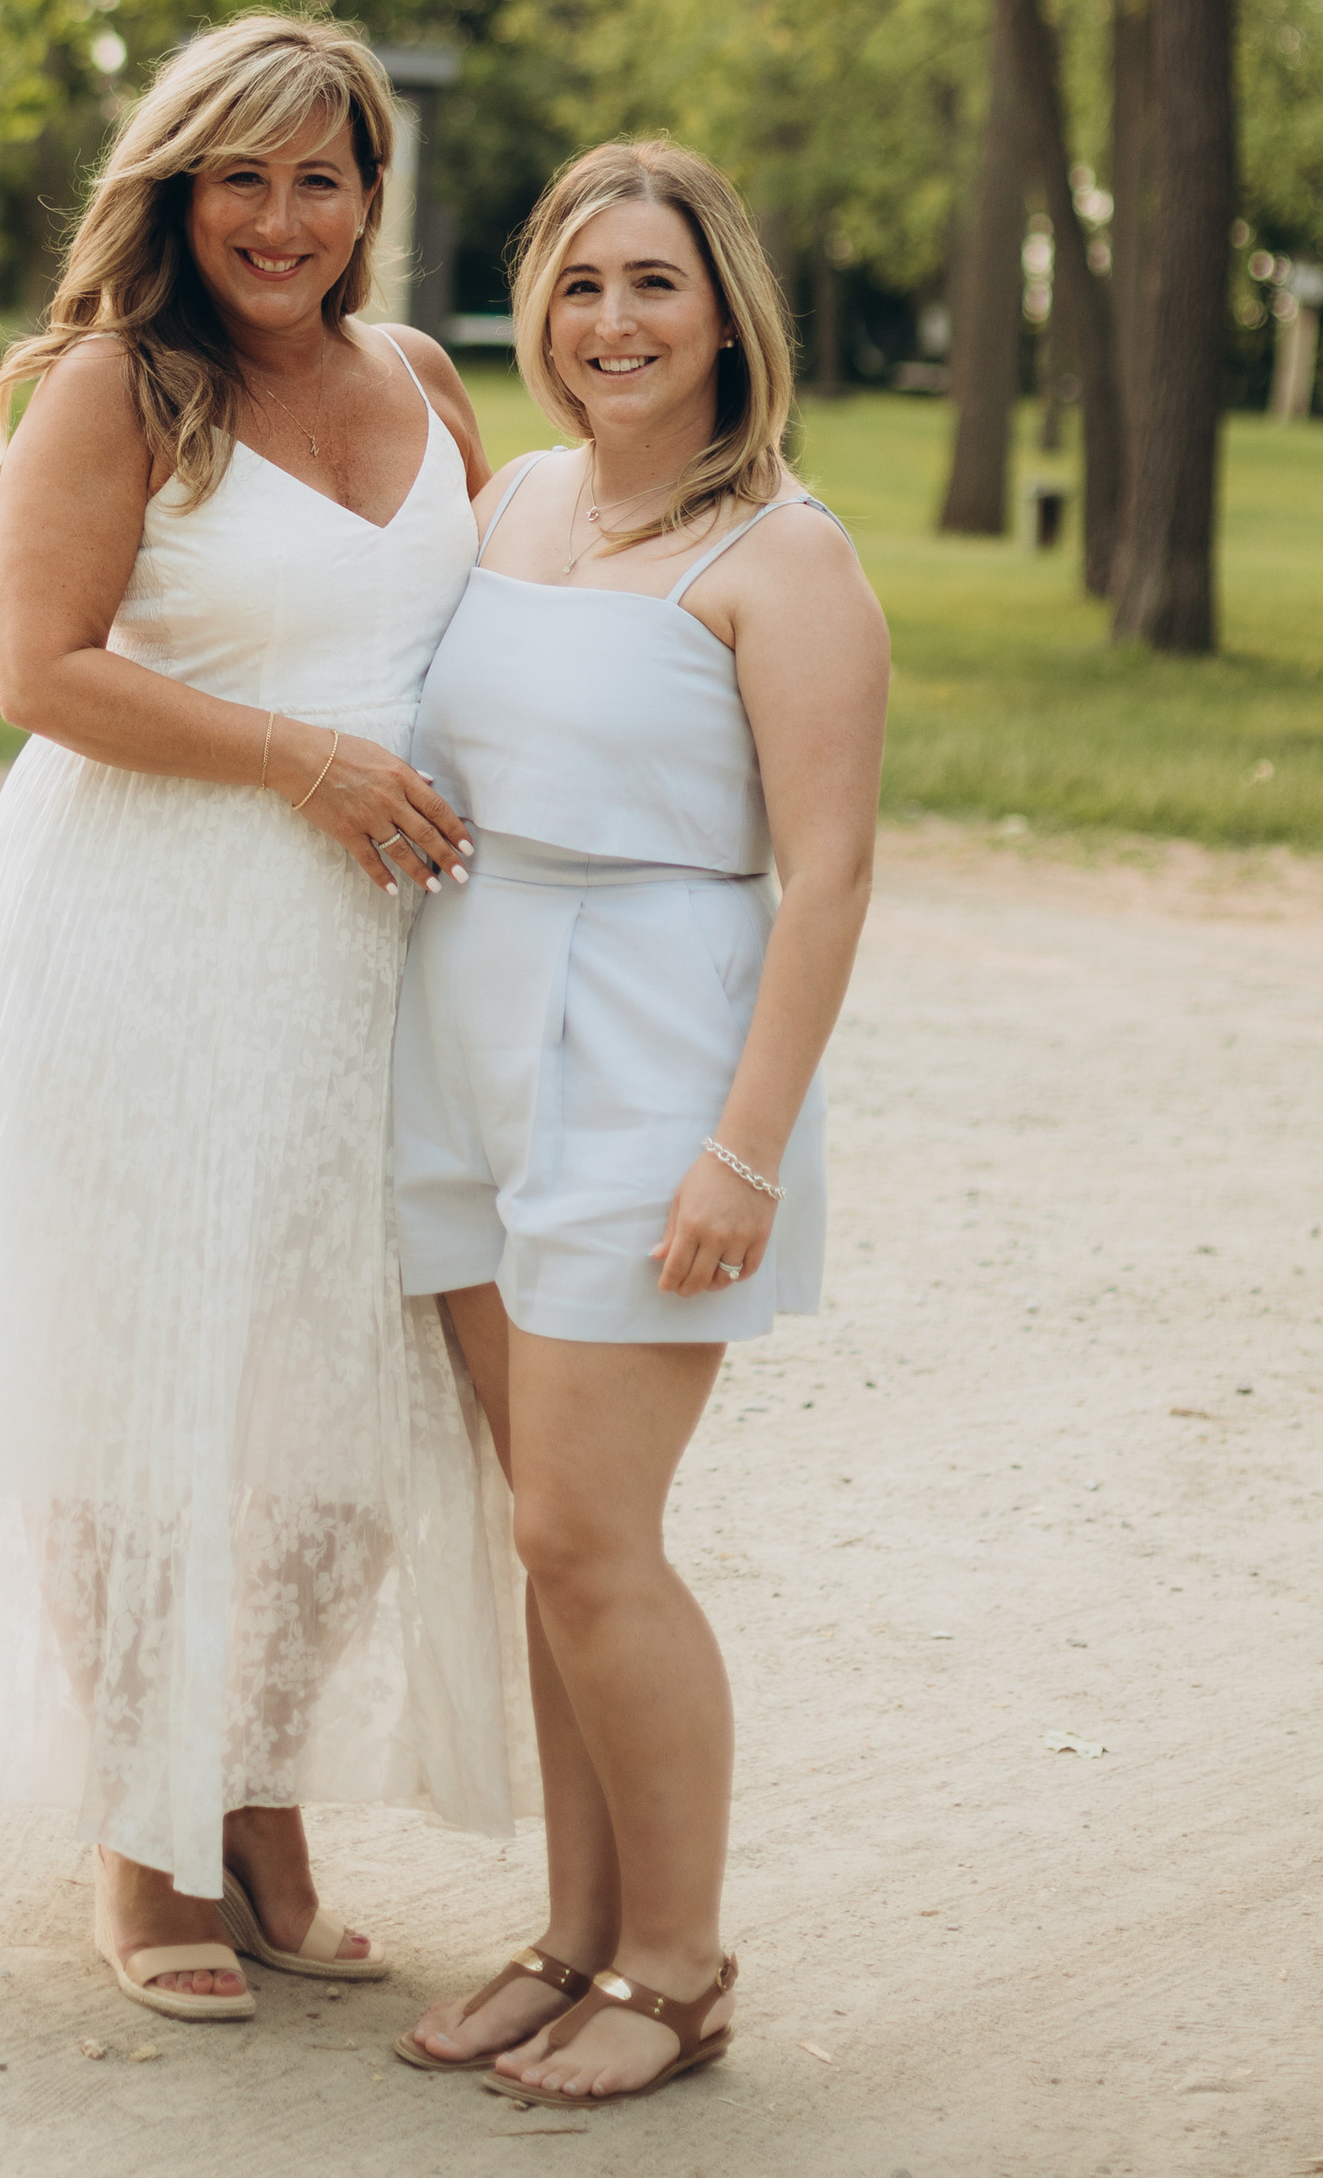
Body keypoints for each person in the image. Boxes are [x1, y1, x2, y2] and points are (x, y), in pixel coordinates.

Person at [0, 15, 525, 2023]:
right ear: (171, 189)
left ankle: (254, 1791)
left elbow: (484, 629)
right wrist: (303, 763)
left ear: (369, 202)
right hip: (140, 931)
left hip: (371, 963)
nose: (281, 218)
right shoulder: (114, 391)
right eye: (241, 175)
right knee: (140, 1392)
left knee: (340, 1404)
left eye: (321, 178)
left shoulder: (415, 382)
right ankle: (140, 1842)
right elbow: (37, 667)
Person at [390, 138, 887, 2104]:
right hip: (465, 1046)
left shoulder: (782, 554)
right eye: (580, 282)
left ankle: (676, 1969)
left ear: (722, 315)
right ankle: (570, 1936)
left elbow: (830, 875)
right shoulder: (504, 503)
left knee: (595, 1536)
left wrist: (740, 1149)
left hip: (651, 1058)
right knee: (544, 1540)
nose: (611, 322)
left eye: (652, 285)